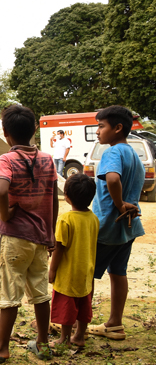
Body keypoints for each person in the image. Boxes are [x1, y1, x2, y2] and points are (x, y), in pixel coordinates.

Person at [0, 105, 58, 363]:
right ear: (34, 129)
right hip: (41, 237)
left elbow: (2, 190)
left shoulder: (6, 160)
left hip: (15, 237)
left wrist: (5, 215)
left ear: (5, 132)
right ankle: (42, 344)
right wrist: (51, 234)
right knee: (40, 293)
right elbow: (53, 199)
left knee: (10, 293)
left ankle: (1, 347)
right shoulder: (47, 159)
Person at [87, 106, 145, 341]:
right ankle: (115, 324)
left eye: (101, 126)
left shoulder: (112, 152)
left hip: (107, 227)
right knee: (118, 272)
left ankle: (78, 325)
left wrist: (120, 205)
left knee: (86, 274)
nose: (97, 131)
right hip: (128, 228)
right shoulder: (134, 155)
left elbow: (112, 178)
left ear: (118, 128)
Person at [48, 173, 99, 347]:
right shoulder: (93, 219)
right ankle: (79, 336)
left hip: (68, 273)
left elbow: (59, 247)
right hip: (87, 271)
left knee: (67, 306)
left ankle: (64, 339)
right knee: (85, 303)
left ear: (67, 196)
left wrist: (52, 269)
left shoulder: (65, 219)